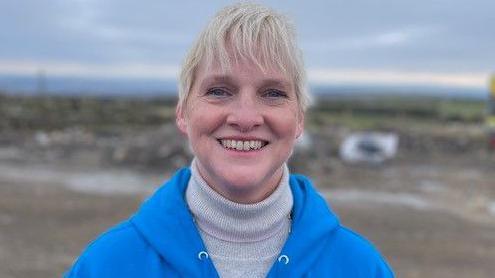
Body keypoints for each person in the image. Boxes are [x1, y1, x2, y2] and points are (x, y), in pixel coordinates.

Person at [66, 3, 394, 277]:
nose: (246, 117)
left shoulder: (360, 267)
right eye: (219, 91)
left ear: (299, 120)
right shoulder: (107, 265)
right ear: (183, 113)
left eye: (273, 93)